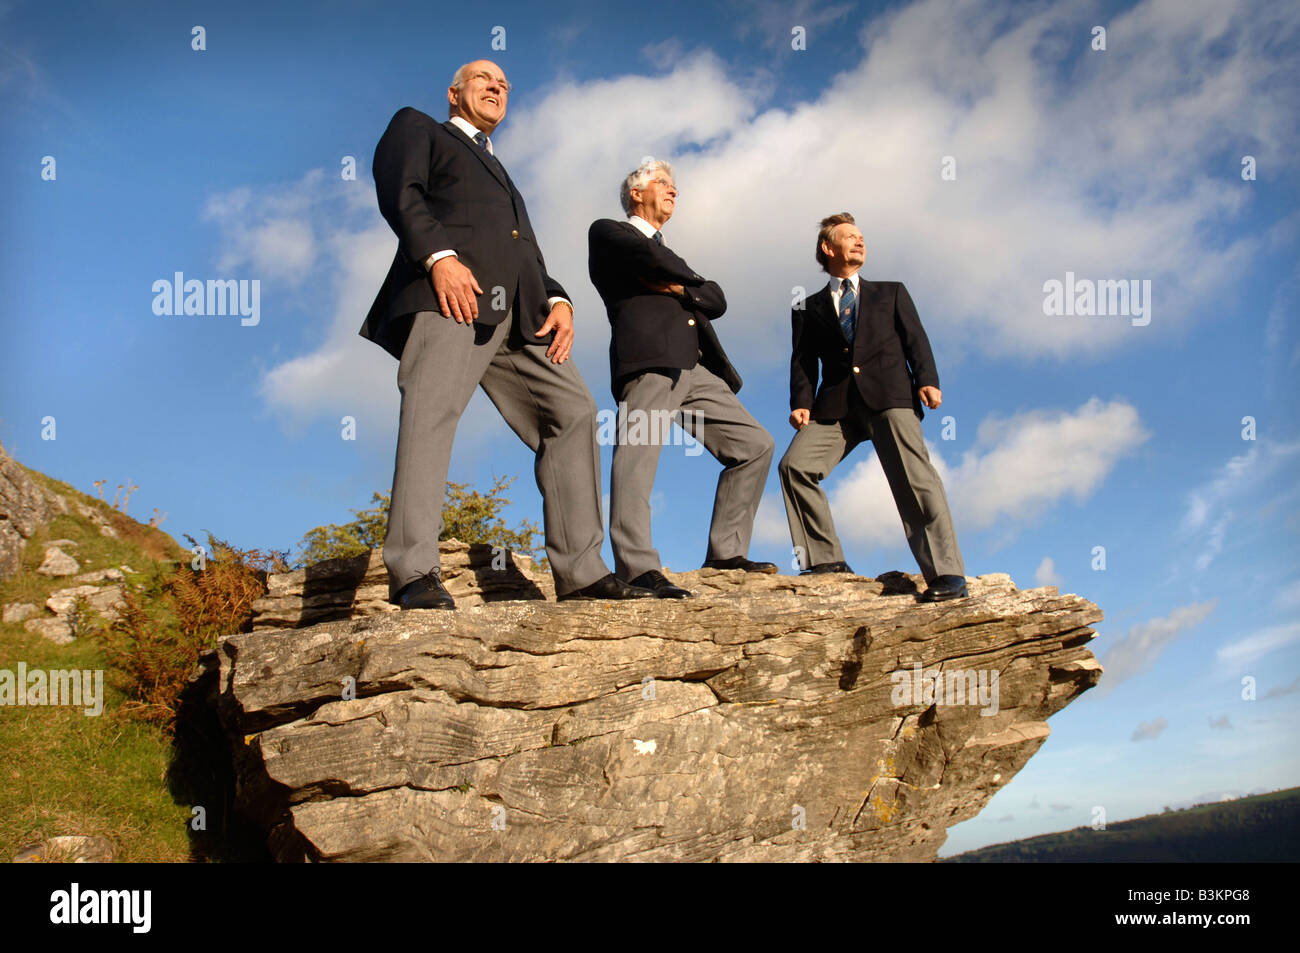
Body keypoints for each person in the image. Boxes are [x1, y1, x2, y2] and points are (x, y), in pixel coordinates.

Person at [360, 60, 654, 609]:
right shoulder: (419, 127)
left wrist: (560, 297)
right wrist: (437, 258)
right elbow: (400, 191)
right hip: (455, 296)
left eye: (504, 85)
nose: (497, 88)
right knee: (432, 415)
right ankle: (413, 571)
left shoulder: (501, 171)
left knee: (574, 412)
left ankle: (583, 572)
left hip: (521, 317)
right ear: (453, 93)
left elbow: (524, 250)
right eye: (483, 80)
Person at [587, 159, 776, 599]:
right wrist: (690, 284)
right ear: (637, 193)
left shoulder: (666, 253)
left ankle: (726, 553)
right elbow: (653, 260)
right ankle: (636, 566)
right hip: (650, 362)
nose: (674, 191)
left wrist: (677, 287)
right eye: (663, 184)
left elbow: (717, 298)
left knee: (755, 446)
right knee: (638, 459)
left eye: (675, 186)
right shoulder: (610, 232)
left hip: (696, 369)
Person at [778, 212, 967, 602]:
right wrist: (801, 403)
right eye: (850, 237)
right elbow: (802, 361)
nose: (860, 242)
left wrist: (928, 379)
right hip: (836, 407)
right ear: (828, 248)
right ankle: (825, 559)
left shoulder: (891, 291)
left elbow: (917, 339)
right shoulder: (805, 307)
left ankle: (947, 576)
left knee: (916, 484)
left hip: (891, 397)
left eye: (862, 237)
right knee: (794, 467)